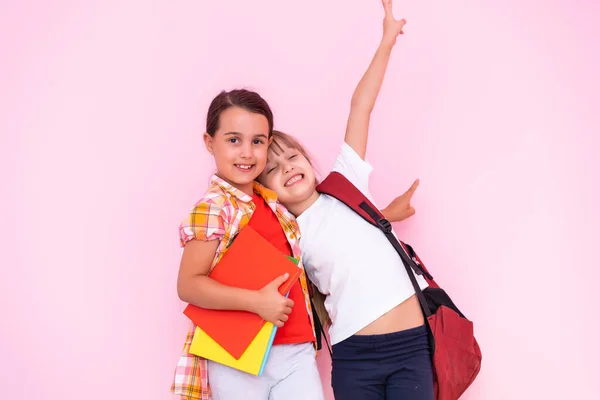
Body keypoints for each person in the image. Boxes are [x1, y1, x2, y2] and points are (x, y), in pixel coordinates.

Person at [257, 1, 435, 399]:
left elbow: (361, 107)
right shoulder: (286, 234)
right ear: (265, 188)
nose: (287, 167)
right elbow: (333, 251)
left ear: (308, 160)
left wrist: (387, 40)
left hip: (410, 344)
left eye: (292, 156)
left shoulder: (345, 182)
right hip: (355, 357)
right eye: (273, 169)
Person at [171, 89, 324, 400]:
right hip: (235, 355)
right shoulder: (214, 207)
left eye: (257, 141)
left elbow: (320, 218)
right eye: (233, 140)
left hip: (295, 351)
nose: (247, 153)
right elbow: (188, 285)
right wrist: (257, 302)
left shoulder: (274, 203)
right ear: (209, 142)